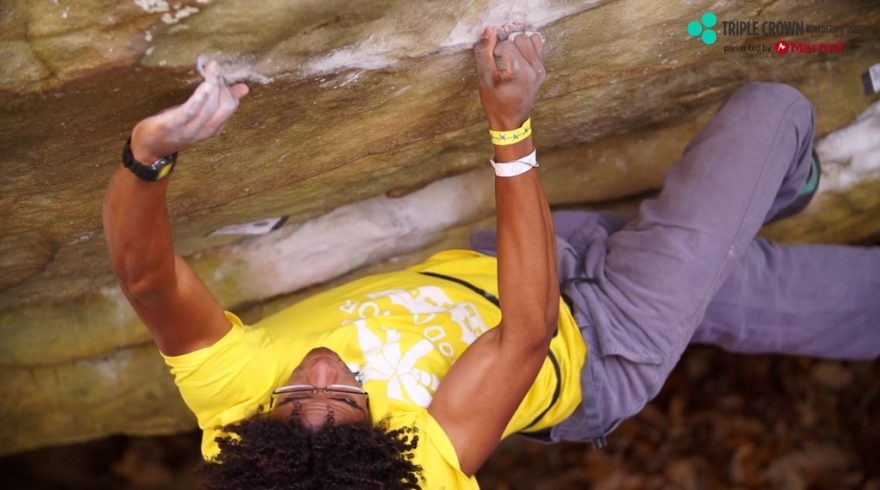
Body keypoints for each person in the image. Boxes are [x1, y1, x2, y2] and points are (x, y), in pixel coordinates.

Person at [103, 20, 879, 489]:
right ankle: (788, 183)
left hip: (511, 262)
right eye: (345, 399)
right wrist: (510, 126)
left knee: (751, 284)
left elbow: (146, 279)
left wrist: (149, 154)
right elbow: (524, 335)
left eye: (294, 393)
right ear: (375, 439)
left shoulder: (233, 409)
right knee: (772, 110)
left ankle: (761, 224)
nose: (320, 371)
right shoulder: (413, 472)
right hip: (605, 338)